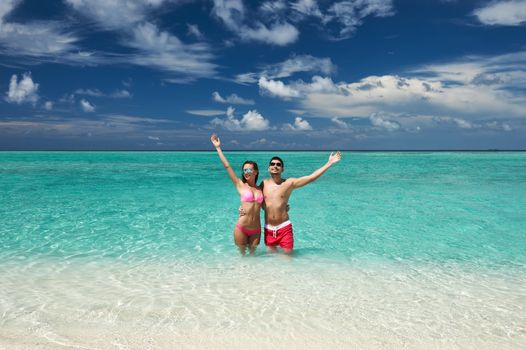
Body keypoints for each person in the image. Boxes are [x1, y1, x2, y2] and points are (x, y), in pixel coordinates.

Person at [260, 152, 342, 254]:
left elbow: (311, 177)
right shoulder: (263, 184)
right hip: (269, 230)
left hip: (284, 228)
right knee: (271, 261)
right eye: (272, 164)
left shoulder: (289, 183)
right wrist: (243, 209)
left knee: (288, 259)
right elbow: (254, 199)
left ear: (282, 169)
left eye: (278, 164)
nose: (275, 166)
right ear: (269, 168)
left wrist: (329, 163)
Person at [211, 134, 263, 255]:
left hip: (256, 230)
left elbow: (270, 203)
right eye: (244, 170)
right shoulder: (240, 185)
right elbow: (227, 166)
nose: (246, 172)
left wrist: (284, 207)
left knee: (254, 257)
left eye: (249, 170)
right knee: (242, 257)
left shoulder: (261, 188)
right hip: (242, 228)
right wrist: (218, 148)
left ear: (256, 171)